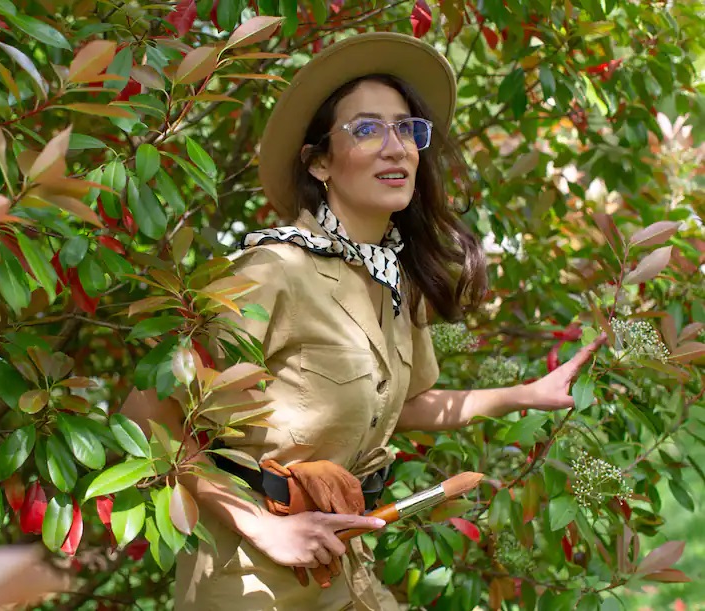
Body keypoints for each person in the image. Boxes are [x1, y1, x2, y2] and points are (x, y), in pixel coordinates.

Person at [123, 32, 605, 611]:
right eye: (367, 128)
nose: (395, 146)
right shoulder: (273, 271)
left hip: (346, 568)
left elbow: (402, 406)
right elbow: (145, 415)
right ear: (319, 161)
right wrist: (262, 525)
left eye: (406, 128)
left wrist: (523, 394)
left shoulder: (392, 280)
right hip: (248, 580)